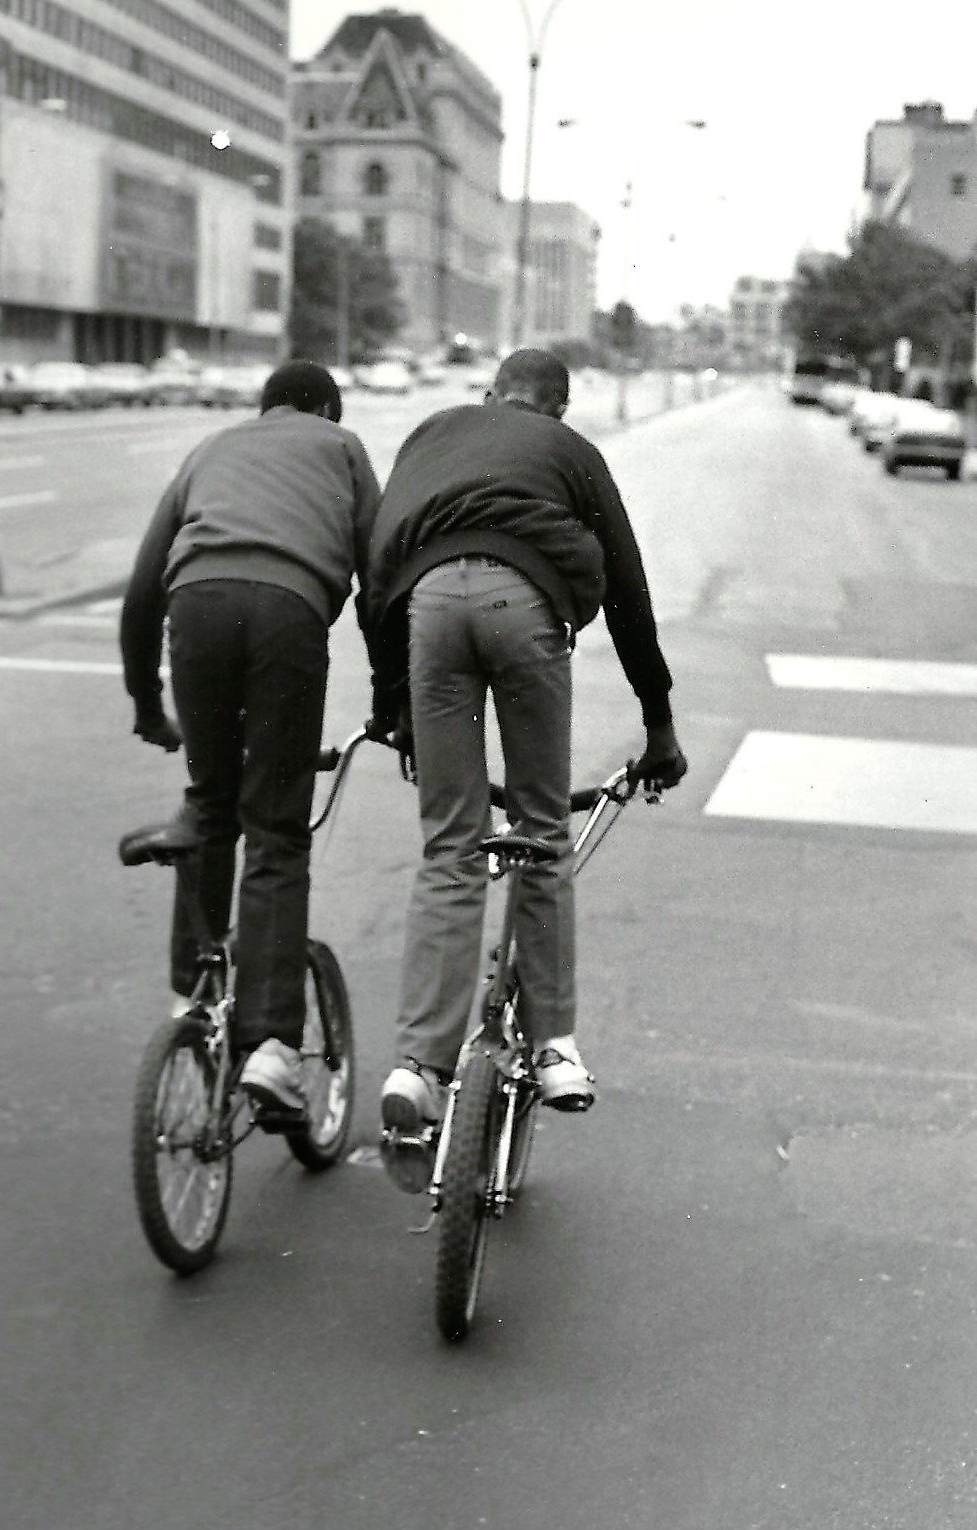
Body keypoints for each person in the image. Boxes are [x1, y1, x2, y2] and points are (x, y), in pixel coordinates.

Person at [363, 348, 687, 1185]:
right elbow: (629, 593)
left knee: (450, 844)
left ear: (488, 397)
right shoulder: (571, 453)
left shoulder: (434, 433)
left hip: (427, 608)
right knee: (542, 830)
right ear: (560, 411)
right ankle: (553, 1048)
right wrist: (658, 723)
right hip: (525, 605)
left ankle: (419, 1066)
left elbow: (378, 563)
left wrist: (389, 702)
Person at [119, 360, 381, 1118]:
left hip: (195, 611)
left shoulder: (211, 449)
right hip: (287, 618)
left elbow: (142, 594)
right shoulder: (343, 449)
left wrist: (147, 704)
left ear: (262, 407)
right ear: (329, 409)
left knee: (209, 802)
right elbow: (380, 579)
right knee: (275, 829)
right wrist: (393, 699)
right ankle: (269, 1045)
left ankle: (191, 1005)